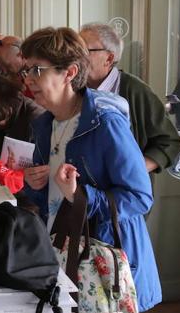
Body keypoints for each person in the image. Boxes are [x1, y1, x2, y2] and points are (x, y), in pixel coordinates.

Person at [21, 27, 161, 312]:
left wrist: (80, 195)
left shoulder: (106, 122)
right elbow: (50, 201)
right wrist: (33, 186)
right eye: (25, 70)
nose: (28, 79)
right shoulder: (44, 124)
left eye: (37, 70)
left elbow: (139, 197)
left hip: (103, 265)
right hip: (63, 255)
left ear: (70, 72)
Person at [79, 23, 180, 175]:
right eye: (75, 50)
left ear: (109, 58)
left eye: (84, 51)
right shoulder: (73, 89)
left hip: (125, 193)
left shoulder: (135, 91)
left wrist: (136, 170)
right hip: (83, 190)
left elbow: (170, 141)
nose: (76, 57)